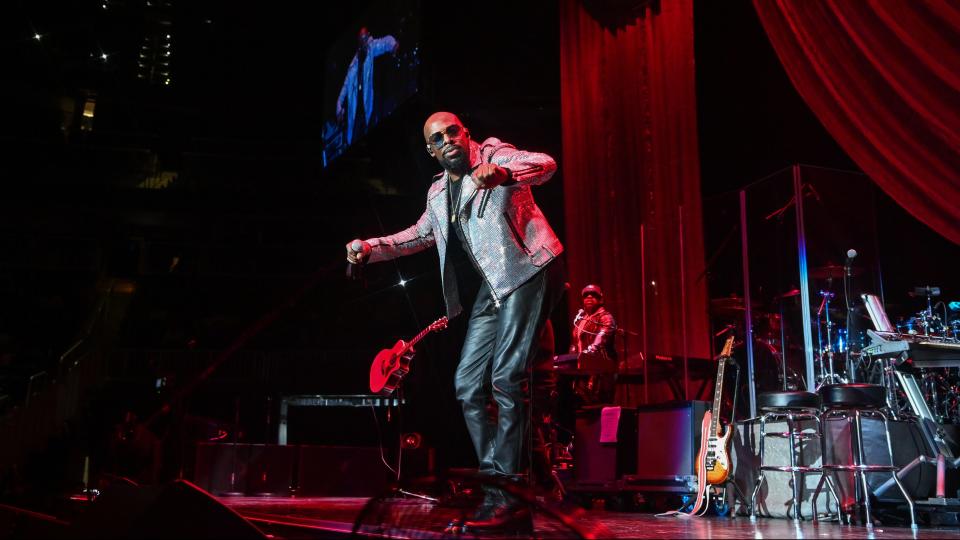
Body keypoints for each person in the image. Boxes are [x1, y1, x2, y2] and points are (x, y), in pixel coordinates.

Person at [346, 111, 564, 533]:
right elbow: (417, 236)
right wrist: (370, 246)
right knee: (467, 385)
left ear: (467, 134)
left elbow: (545, 164)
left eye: (453, 132)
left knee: (507, 378)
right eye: (437, 138)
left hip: (531, 268)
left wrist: (500, 172)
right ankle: (506, 486)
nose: (447, 140)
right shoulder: (437, 193)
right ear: (430, 150)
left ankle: (512, 497)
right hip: (493, 286)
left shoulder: (494, 152)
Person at [555, 284, 618, 404]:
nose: (589, 297)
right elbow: (576, 342)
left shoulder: (606, 317)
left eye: (593, 295)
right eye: (585, 295)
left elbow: (603, 335)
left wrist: (591, 349)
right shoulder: (582, 319)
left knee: (599, 406)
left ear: (601, 299)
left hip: (600, 370)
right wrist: (569, 359)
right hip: (583, 369)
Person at [336, 27, 399, 145]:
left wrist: (393, 44)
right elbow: (345, 84)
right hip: (355, 110)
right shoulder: (354, 63)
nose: (364, 41)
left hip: (367, 106)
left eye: (365, 38)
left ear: (368, 36)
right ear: (359, 41)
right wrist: (339, 105)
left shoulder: (371, 48)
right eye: (361, 39)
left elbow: (383, 42)